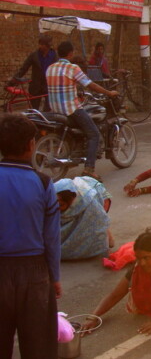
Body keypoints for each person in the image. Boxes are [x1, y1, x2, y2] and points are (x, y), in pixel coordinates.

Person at [0, 114, 61, 358]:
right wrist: (54, 276)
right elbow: (52, 237)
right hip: (34, 273)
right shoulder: (43, 183)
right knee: (39, 347)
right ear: (30, 145)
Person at [46, 42, 119, 180]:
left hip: (54, 110)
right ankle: (89, 169)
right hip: (71, 110)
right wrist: (108, 93)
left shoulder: (50, 68)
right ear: (70, 53)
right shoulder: (72, 68)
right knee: (94, 134)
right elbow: (90, 84)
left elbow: (62, 85)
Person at [54, 177, 114, 260]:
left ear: (71, 200)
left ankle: (107, 240)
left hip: (98, 196)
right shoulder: (51, 200)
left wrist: (105, 249)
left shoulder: (89, 202)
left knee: (98, 231)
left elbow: (100, 224)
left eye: (61, 205)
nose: (58, 209)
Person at [14, 34, 58, 111]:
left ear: (47, 46)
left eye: (42, 44)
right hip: (36, 86)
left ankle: (44, 120)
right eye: (40, 44)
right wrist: (13, 81)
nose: (40, 46)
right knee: (34, 109)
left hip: (49, 86)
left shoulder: (54, 55)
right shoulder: (34, 55)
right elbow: (24, 69)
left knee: (48, 107)